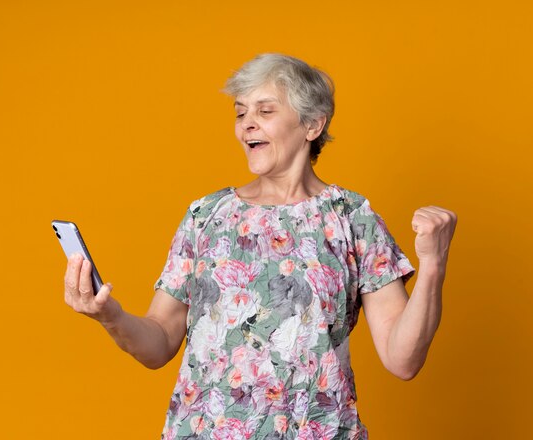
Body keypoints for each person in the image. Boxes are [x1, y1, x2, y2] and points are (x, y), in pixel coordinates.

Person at [63, 53, 457, 439]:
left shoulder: (352, 217)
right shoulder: (206, 215)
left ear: (312, 125)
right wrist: (111, 316)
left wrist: (433, 264)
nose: (247, 124)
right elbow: (158, 343)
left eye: (264, 111)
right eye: (240, 113)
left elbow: (403, 359)